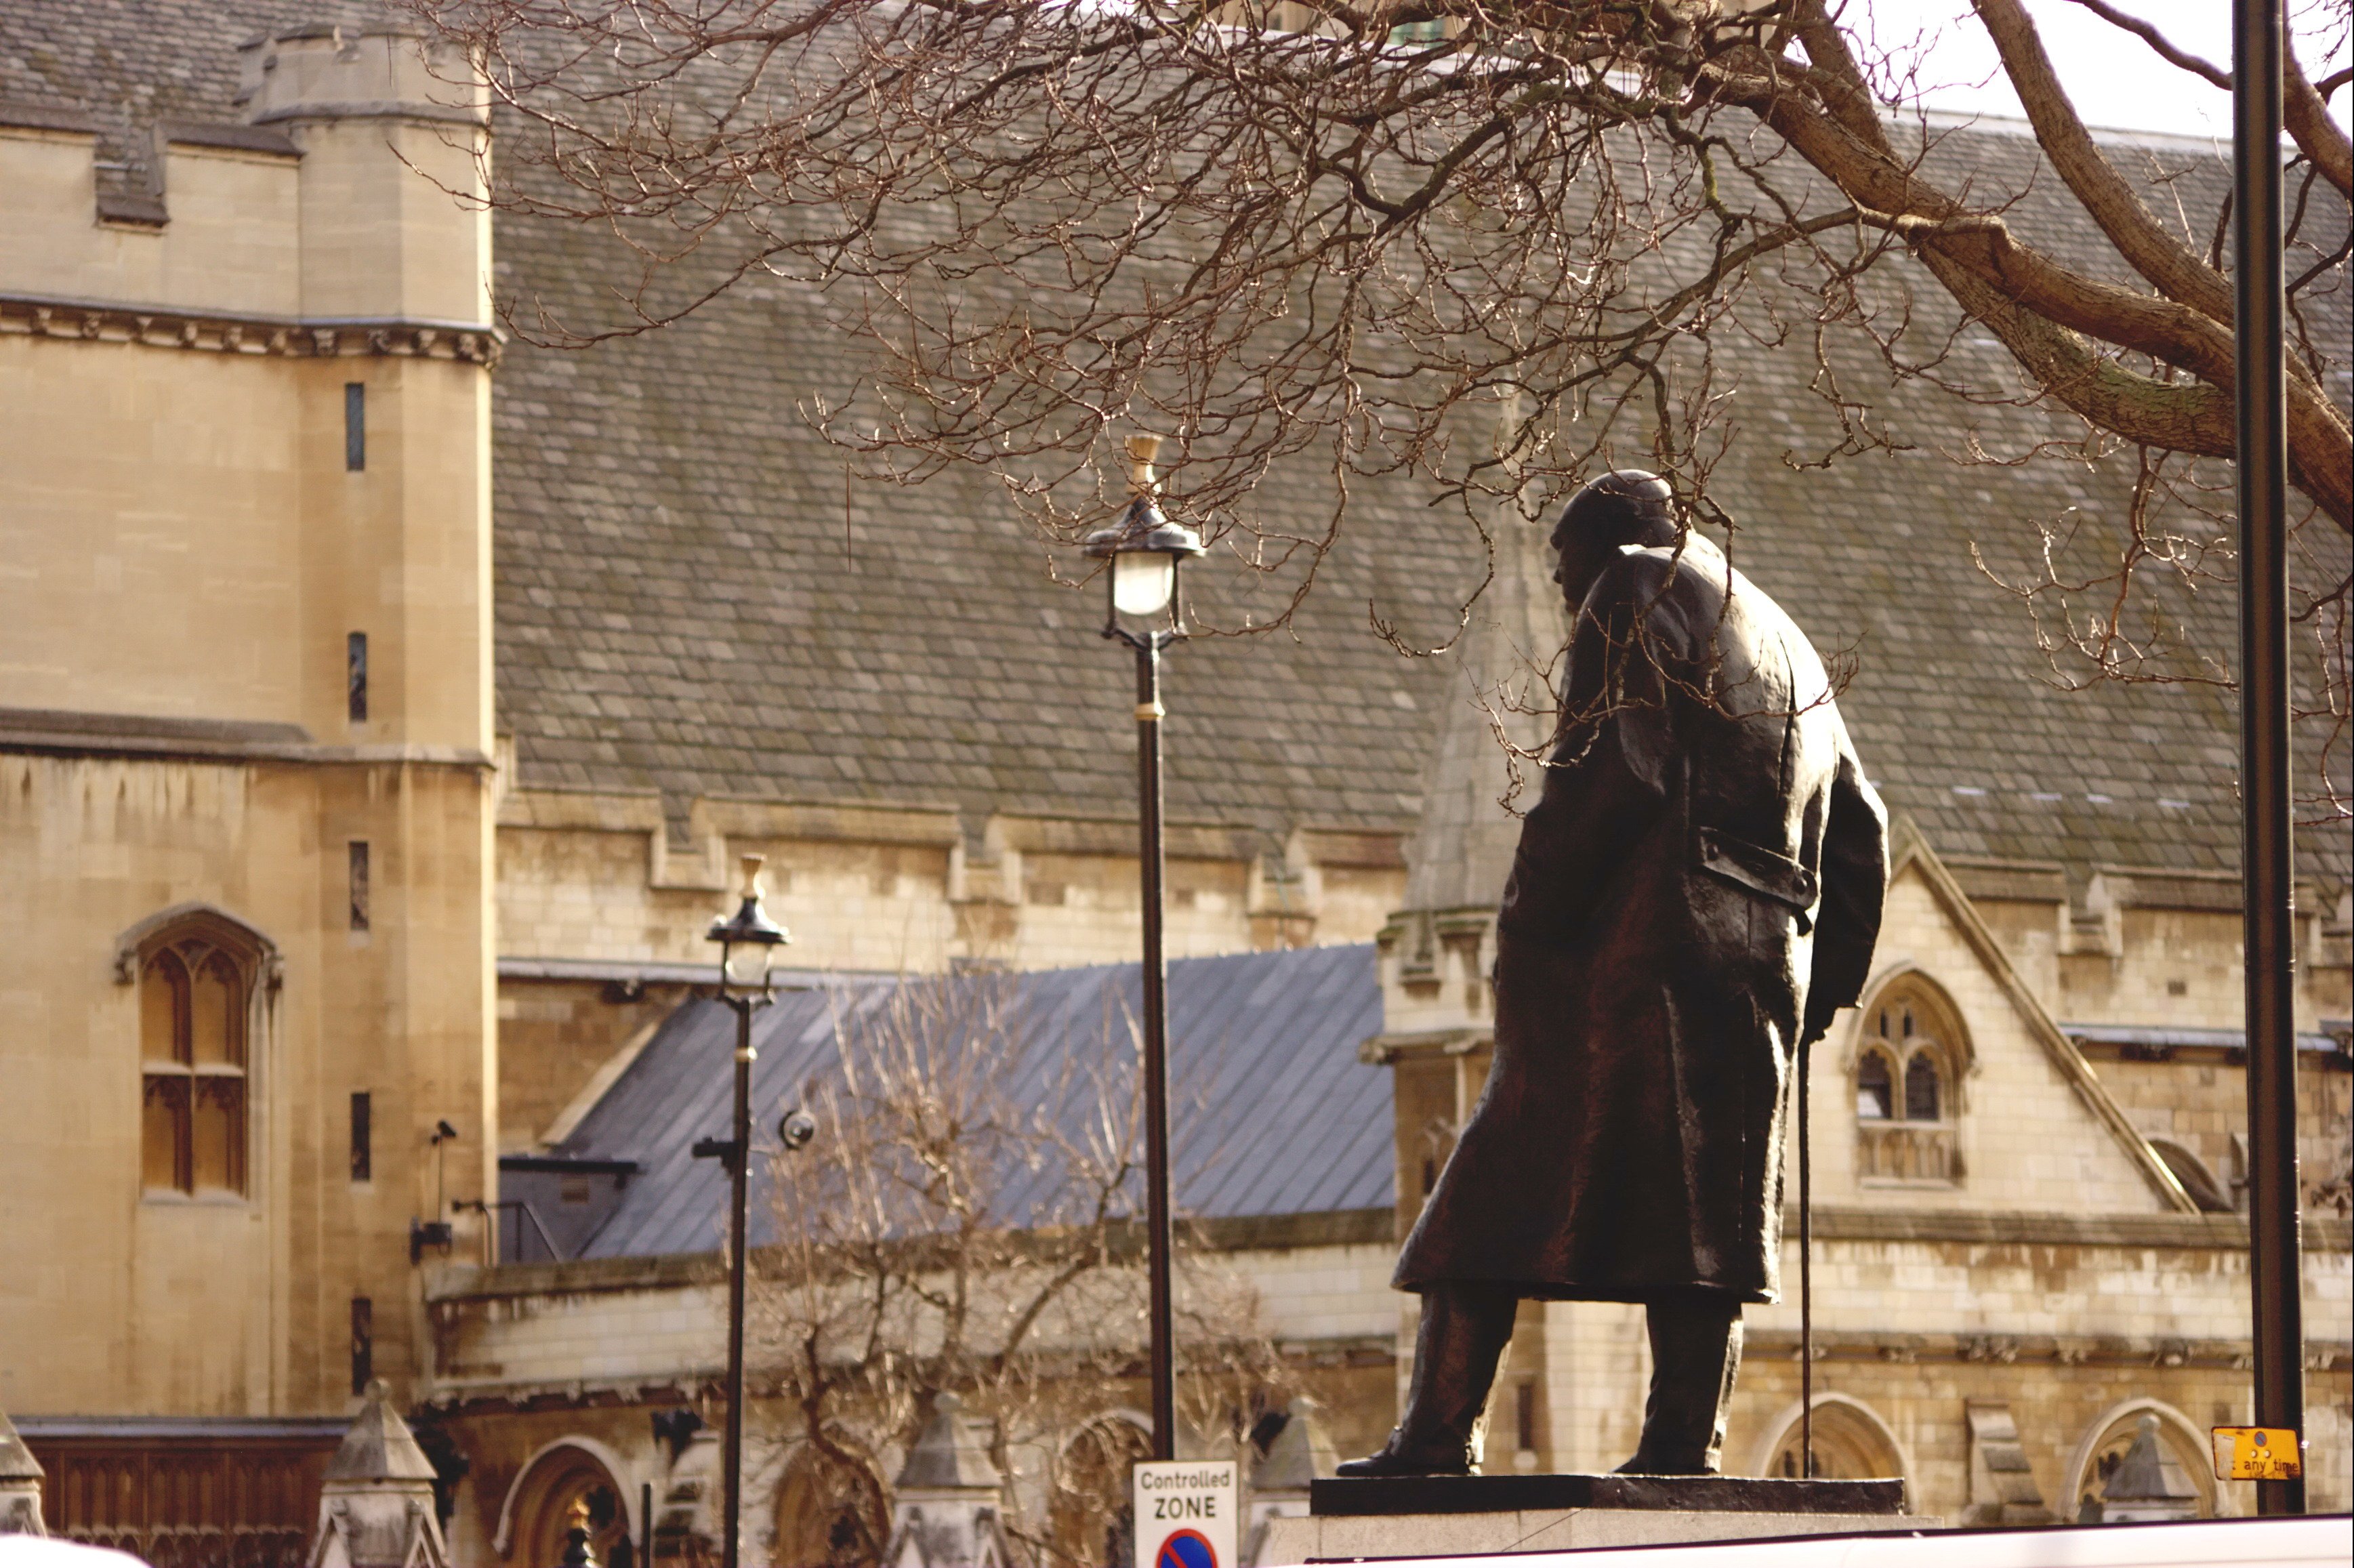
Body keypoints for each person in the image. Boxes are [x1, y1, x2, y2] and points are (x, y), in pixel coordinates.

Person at [1341, 470, 1888, 1477]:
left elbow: (1614, 768)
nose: (1568, 605)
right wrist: (1816, 994)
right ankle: (1680, 1446)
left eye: (1566, 581)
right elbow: (1861, 836)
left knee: (1480, 1200)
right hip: (1757, 972)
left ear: (1603, 545)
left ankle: (1436, 1436)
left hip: (1631, 961)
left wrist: (1530, 916)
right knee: (1711, 1224)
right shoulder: (1787, 639)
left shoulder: (1636, 584)